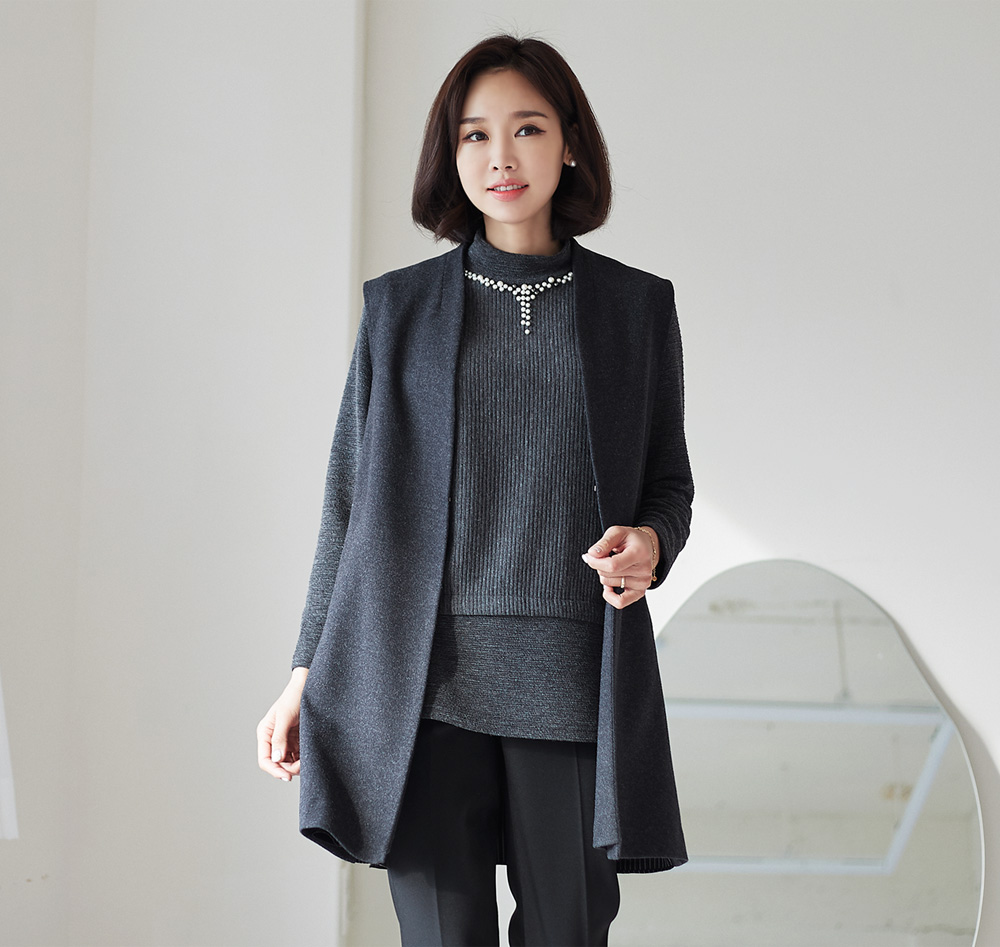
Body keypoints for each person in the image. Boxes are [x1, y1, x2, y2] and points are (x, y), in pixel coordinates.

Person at [257, 33, 694, 947]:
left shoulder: (636, 307)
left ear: (568, 145)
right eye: (474, 135)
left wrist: (652, 541)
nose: (501, 157)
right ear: (450, 156)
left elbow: (667, 480)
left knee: (569, 931)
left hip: (569, 675)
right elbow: (348, 506)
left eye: (526, 129)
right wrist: (304, 672)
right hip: (416, 684)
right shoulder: (399, 309)